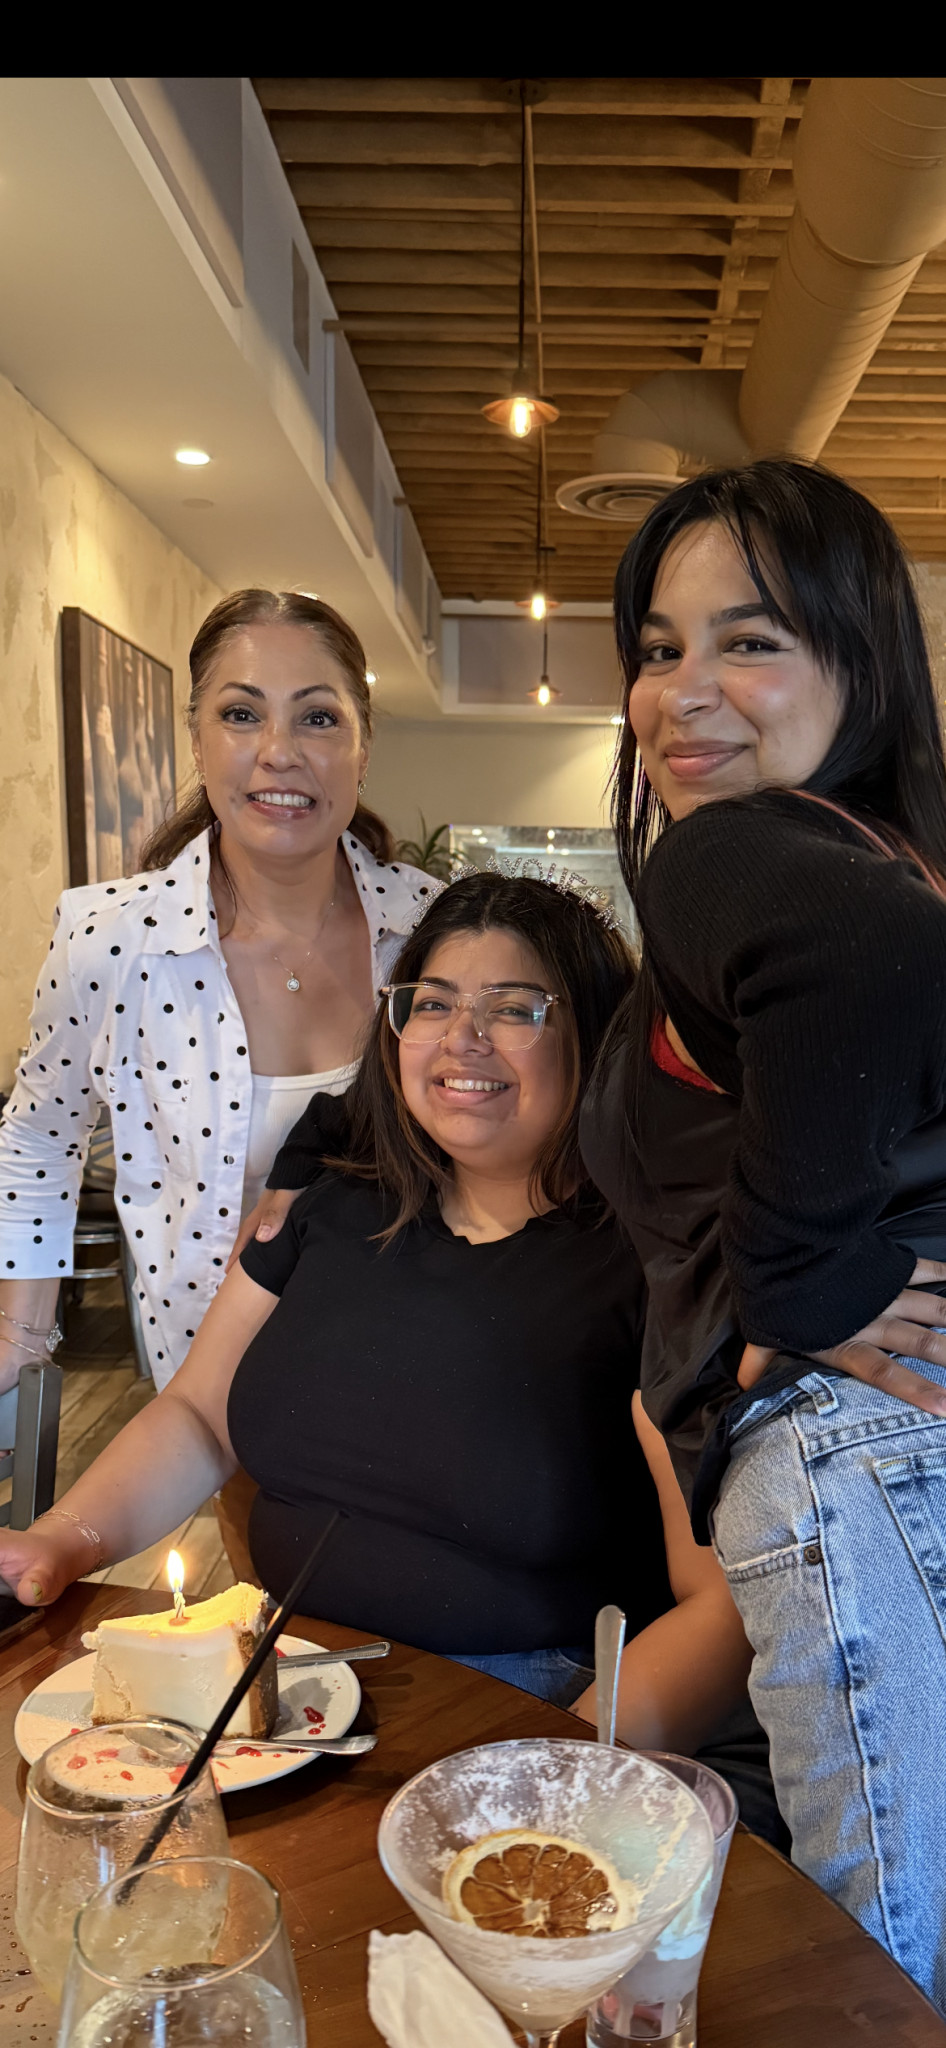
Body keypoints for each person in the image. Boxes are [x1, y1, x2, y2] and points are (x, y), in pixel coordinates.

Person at [0, 874, 764, 1813]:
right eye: (432, 1003)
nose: (462, 1037)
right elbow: (198, 1414)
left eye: (514, 1008)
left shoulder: (652, 1272)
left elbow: (722, 1605)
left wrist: (562, 1775)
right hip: (277, 1685)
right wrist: (64, 1538)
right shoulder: (328, 1203)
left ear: (598, 1038)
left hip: (521, 1711)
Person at [579, 458, 946, 2006]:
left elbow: (849, 952)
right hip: (887, 1450)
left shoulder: (734, 852)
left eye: (749, 641)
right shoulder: (887, 850)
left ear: (858, 661)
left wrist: (803, 1280)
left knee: (877, 1977)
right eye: (658, 648)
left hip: (842, 1455)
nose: (681, 693)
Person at [0, 589, 431, 1401]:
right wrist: (20, 1341)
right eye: (241, 714)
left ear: (362, 747)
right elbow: (39, 1139)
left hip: (406, 1376)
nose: (279, 751)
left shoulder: (431, 931)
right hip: (207, 1391)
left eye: (318, 718)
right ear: (197, 742)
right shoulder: (110, 940)